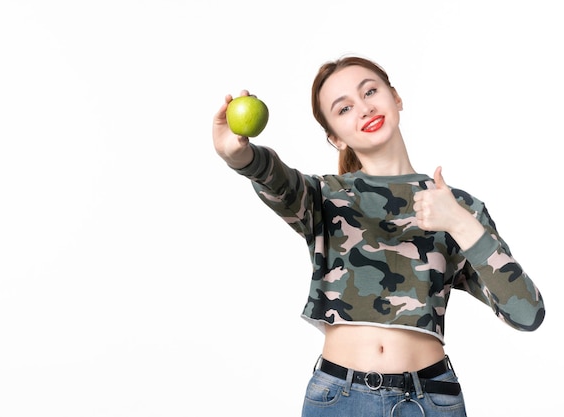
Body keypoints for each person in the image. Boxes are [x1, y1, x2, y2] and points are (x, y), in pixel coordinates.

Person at [212, 55, 545, 417]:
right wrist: (241, 156)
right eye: (344, 108)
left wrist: (459, 223)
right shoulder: (324, 197)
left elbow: (527, 314)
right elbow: (275, 178)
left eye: (370, 91)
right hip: (340, 399)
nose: (365, 108)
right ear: (335, 138)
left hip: (431, 400)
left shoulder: (456, 205)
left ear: (396, 98)